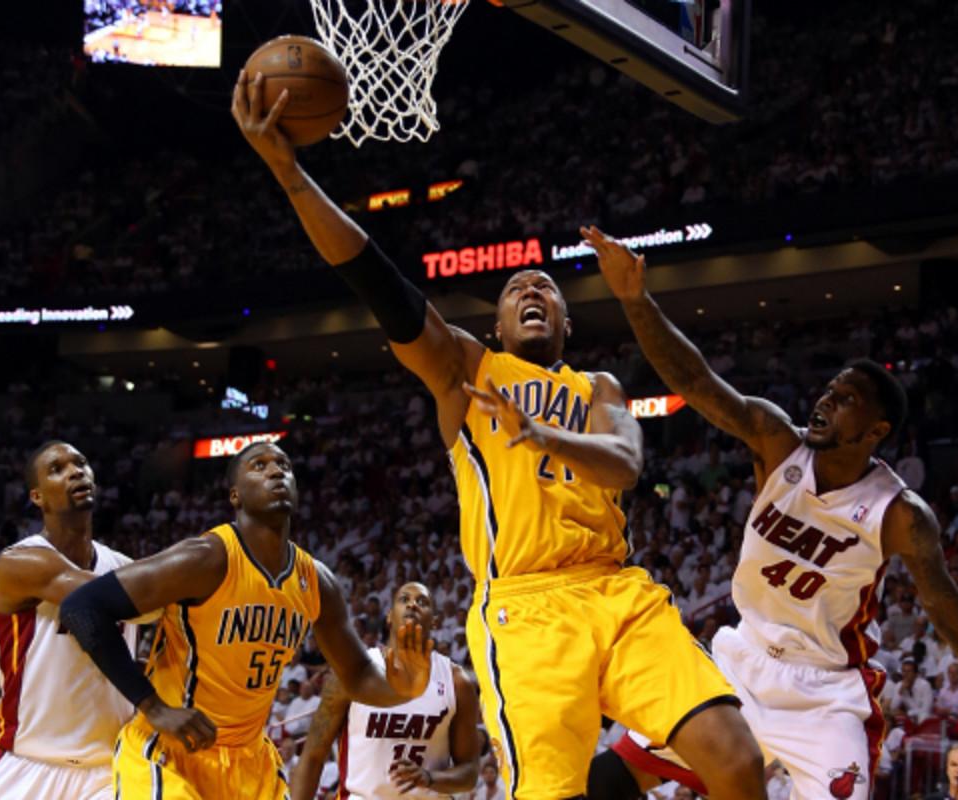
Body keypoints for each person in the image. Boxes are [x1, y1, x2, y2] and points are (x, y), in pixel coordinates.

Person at [231, 71, 765, 800]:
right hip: (526, 609)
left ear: (568, 324)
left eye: (545, 286)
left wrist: (542, 434)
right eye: (516, 289)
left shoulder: (598, 388)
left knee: (736, 758)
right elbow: (379, 282)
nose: (531, 291)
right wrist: (289, 173)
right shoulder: (466, 371)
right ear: (498, 325)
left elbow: (624, 467)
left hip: (618, 590)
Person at [581, 226, 958, 800]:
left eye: (846, 397)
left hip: (825, 694)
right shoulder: (776, 441)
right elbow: (695, 381)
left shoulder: (900, 512)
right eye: (830, 389)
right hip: (741, 660)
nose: (826, 399)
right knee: (610, 779)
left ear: (877, 432)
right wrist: (636, 299)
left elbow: (940, 599)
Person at [59, 441, 435, 800]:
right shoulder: (206, 558)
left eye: (284, 466)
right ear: (235, 495)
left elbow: (357, 675)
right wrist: (153, 708)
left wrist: (407, 686)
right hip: (173, 754)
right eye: (260, 466)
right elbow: (82, 608)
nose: (276, 471)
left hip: (250, 762)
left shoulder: (316, 581)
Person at [0, 441, 146, 800]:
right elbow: (114, 598)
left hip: (109, 770)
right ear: (37, 497)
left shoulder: (124, 568)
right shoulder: (19, 562)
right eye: (57, 469)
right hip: (26, 763)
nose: (76, 471)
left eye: (81, 463)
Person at [290, 582, 481, 800]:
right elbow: (312, 757)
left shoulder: (456, 681)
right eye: (404, 599)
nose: (412, 605)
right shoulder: (354, 672)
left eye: (422, 602)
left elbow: (469, 771)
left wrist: (429, 778)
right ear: (389, 616)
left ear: (435, 621)